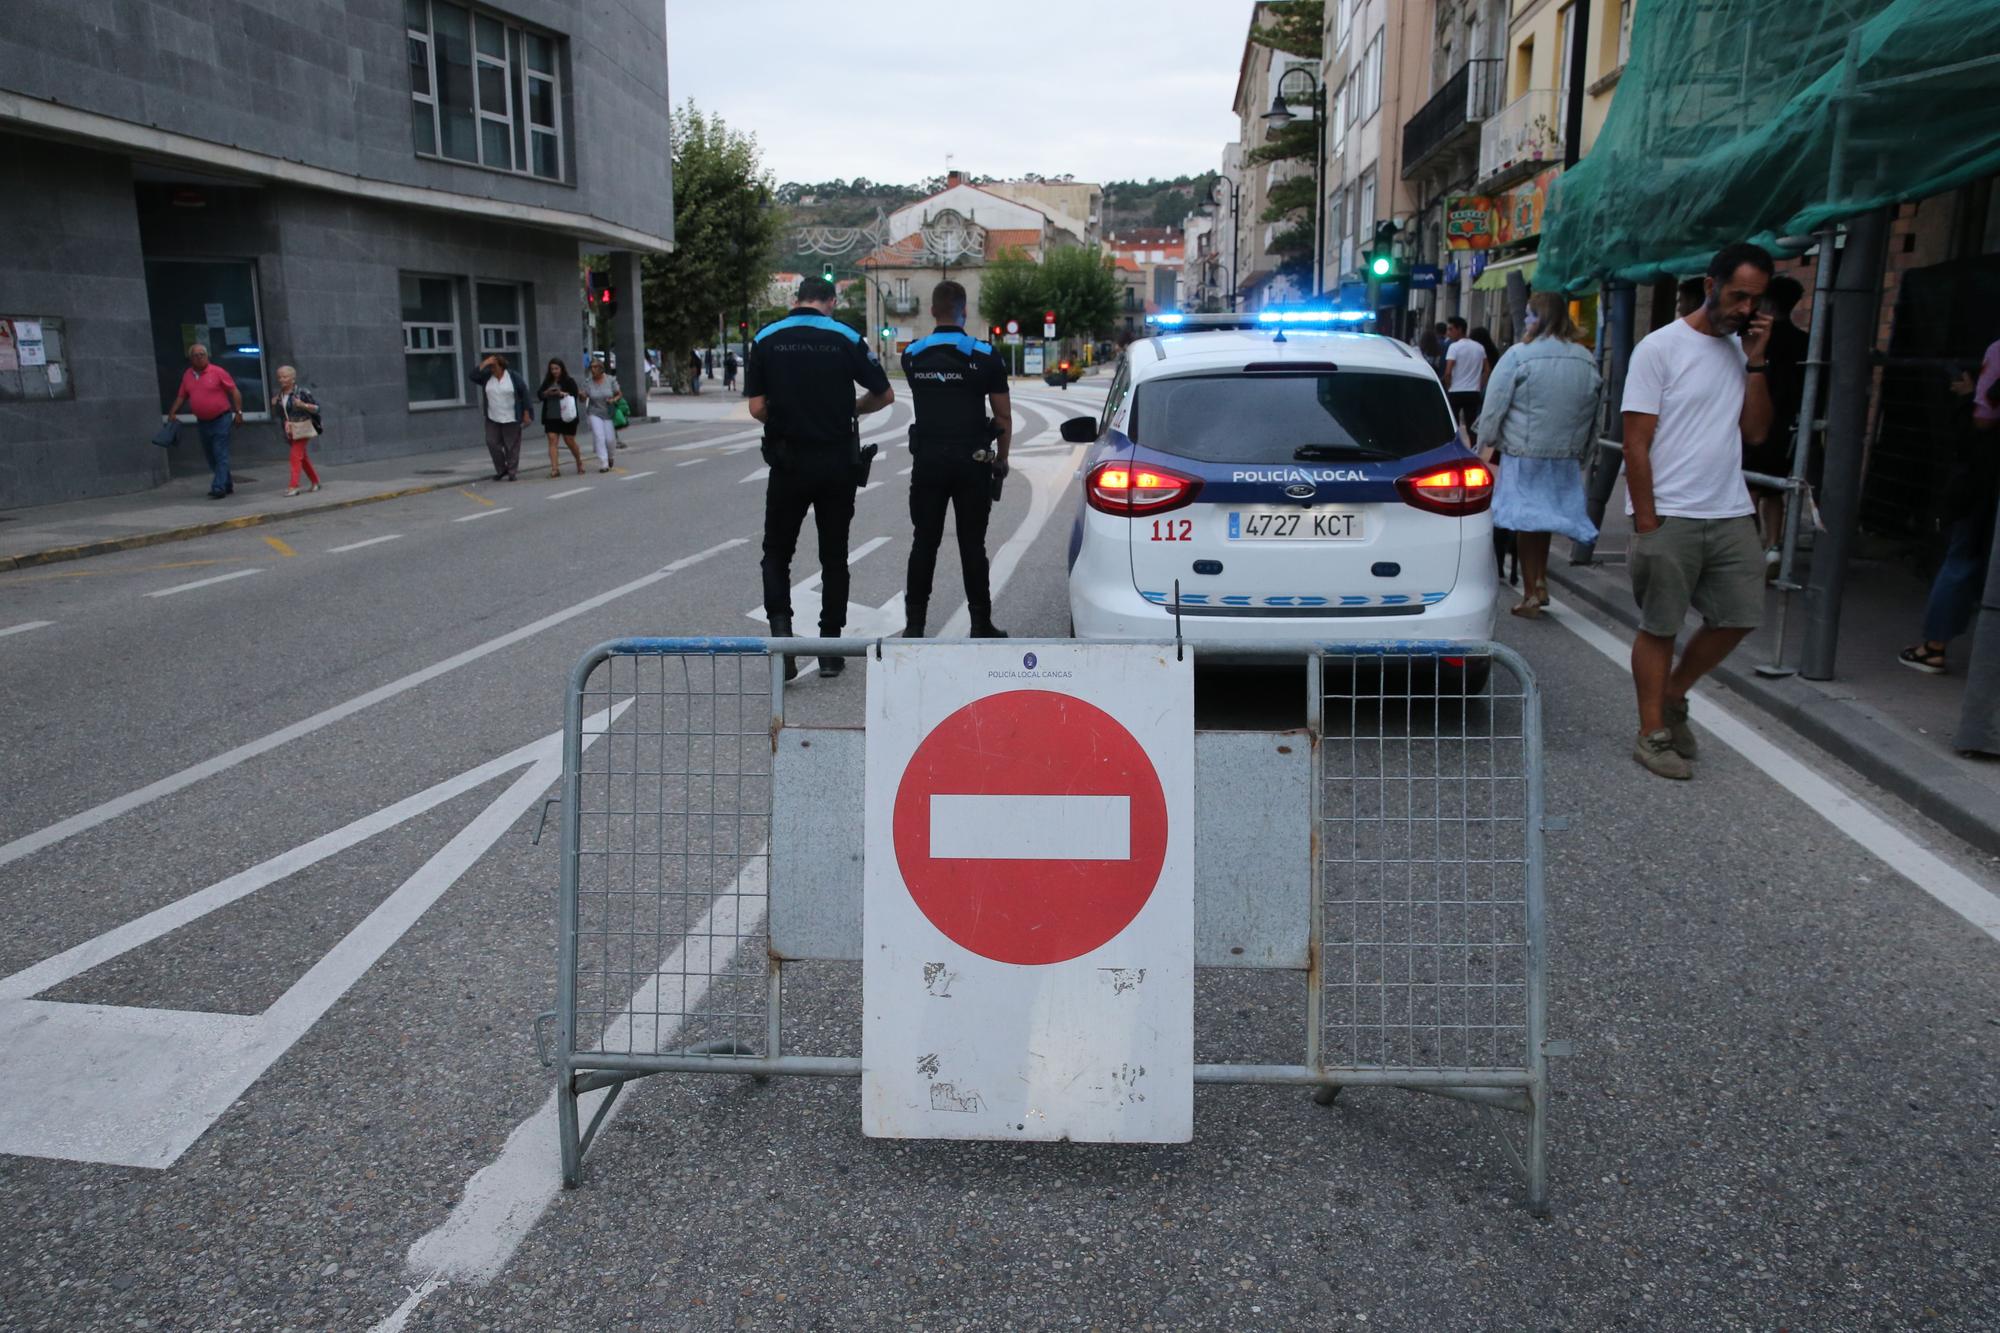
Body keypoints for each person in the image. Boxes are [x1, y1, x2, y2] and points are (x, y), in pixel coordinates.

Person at [1621, 242, 1776, 780]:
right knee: (1660, 625)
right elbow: (1636, 442)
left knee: (1740, 615)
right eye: (1738, 296)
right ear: (1711, 286)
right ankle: (1651, 735)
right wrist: (1646, 520)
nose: (1746, 309)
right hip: (1670, 512)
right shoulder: (1659, 348)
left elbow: (1755, 432)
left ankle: (1674, 694)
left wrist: (1757, 361)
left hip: (1729, 509)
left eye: (1755, 300)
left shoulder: (1741, 352)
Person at [747, 275, 895, 679]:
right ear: (830, 300)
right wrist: (852, 409)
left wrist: (785, 414)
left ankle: (783, 640)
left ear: (797, 300)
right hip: (836, 463)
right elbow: (884, 394)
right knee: (834, 555)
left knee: (777, 552)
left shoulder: (766, 338)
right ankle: (830, 649)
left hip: (788, 462)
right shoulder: (845, 336)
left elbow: (757, 407)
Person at [1475, 292, 1603, 617]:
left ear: (1536, 317)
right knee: (1543, 521)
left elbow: (1495, 404)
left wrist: (1485, 441)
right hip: (1565, 454)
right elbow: (1594, 411)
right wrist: (1586, 450)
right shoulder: (1585, 359)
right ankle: (1541, 579)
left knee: (1525, 521)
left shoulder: (1519, 356)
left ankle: (1531, 591)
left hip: (1524, 449)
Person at [900, 280, 1013, 639]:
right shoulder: (984, 355)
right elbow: (1002, 418)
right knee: (972, 544)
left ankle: (914, 626)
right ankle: (980, 623)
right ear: (965, 310)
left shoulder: (912, 355)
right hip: (972, 462)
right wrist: (1001, 461)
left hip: (928, 462)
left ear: (932, 310)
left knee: (924, 541)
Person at [1898, 340, 2000, 674]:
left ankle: (1934, 647)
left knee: (1962, 557)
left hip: (1986, 475)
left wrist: (1968, 393)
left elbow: (1982, 418)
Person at [1740, 275, 1809, 561]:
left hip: (1755, 416)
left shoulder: (1755, 338)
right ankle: (1774, 545)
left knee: (1750, 488)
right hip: (1787, 424)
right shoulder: (1804, 341)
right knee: (1775, 489)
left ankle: (1750, 547)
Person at [164, 343, 244, 499]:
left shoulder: (217, 371)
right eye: (196, 355)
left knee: (220, 452)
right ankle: (227, 483)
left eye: (202, 354)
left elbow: (234, 390)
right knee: (210, 455)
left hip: (221, 418)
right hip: (203, 421)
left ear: (207, 356)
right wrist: (173, 412)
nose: (199, 357)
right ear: (190, 358)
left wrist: (238, 412)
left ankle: (218, 486)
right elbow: (182, 396)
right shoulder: (188, 375)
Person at [269, 365, 321, 497]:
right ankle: (315, 481)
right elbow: (282, 415)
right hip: (290, 430)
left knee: (295, 456)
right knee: (302, 458)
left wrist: (303, 404)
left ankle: (294, 486)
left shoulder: (302, 392)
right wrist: (275, 404)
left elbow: (317, 408)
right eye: (279, 377)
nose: (281, 379)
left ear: (293, 378)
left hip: (302, 427)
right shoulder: (280, 395)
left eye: (285, 376)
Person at [537, 358, 585, 478]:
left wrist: (562, 393)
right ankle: (555, 468)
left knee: (569, 440)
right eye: (552, 369)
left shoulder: (569, 381)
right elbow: (539, 394)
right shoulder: (548, 381)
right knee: (552, 440)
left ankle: (579, 461)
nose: (554, 371)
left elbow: (574, 394)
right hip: (551, 415)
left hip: (566, 415)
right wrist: (547, 392)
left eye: (556, 368)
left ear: (562, 369)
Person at [1442, 316, 1486, 442]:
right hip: (1473, 392)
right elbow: (1487, 369)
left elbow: (1448, 371)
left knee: (1452, 425)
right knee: (1471, 425)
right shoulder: (1479, 347)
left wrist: (1449, 386)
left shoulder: (1454, 347)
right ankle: (1473, 449)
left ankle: (1452, 448)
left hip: (1456, 391)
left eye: (1451, 329)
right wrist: (1479, 384)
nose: (1448, 333)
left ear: (1459, 329)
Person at [581, 356, 622, 473]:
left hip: (608, 412)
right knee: (599, 436)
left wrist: (613, 400)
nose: (593, 370)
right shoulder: (588, 382)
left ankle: (611, 456)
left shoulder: (610, 380)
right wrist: (582, 396)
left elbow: (619, 394)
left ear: (601, 368)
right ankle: (603, 462)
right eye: (591, 367)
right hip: (594, 412)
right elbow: (583, 399)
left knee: (610, 439)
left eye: (595, 367)